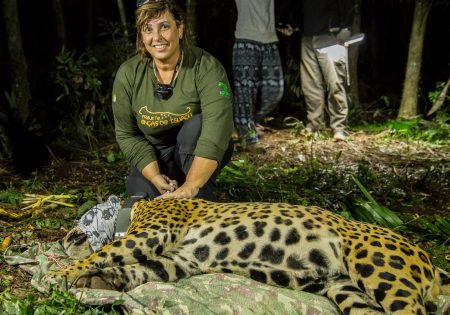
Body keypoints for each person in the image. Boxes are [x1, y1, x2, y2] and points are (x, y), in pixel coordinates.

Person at [112, 0, 234, 201]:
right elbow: (127, 134)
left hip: (195, 150)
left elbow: (217, 126)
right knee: (143, 207)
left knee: (198, 126)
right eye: (148, 29)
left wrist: (191, 186)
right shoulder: (128, 74)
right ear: (141, 36)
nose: (156, 37)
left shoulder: (206, 67)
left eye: (164, 27)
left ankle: (200, 192)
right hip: (155, 155)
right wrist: (155, 176)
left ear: (180, 29)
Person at [232, 0, 285, 145]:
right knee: (245, 93)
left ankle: (253, 120)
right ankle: (247, 136)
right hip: (246, 39)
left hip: (269, 40)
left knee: (275, 91)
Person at [300, 0, 355, 141]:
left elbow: (348, 4)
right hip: (308, 35)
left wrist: (346, 27)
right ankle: (314, 124)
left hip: (331, 34)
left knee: (335, 82)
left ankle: (339, 127)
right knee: (310, 84)